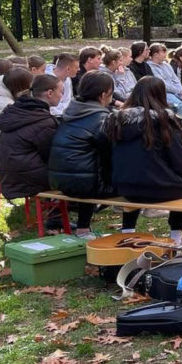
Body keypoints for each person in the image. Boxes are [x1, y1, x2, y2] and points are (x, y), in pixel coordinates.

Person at [106, 77, 182, 245]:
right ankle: (176, 238)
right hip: (158, 188)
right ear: (161, 95)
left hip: (124, 186)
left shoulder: (117, 120)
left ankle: (127, 230)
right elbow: (181, 163)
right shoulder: (163, 121)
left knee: (137, 172)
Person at [48, 71, 130, 239]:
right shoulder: (101, 118)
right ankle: (129, 232)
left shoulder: (71, 112)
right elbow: (111, 153)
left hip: (59, 180)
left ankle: (83, 229)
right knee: (137, 183)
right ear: (103, 95)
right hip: (85, 185)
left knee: (93, 169)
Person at [0, 74, 62, 204]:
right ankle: (64, 214)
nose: (62, 95)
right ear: (50, 93)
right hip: (26, 179)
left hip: (9, 174)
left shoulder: (18, 111)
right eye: (61, 91)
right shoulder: (42, 121)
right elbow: (52, 156)